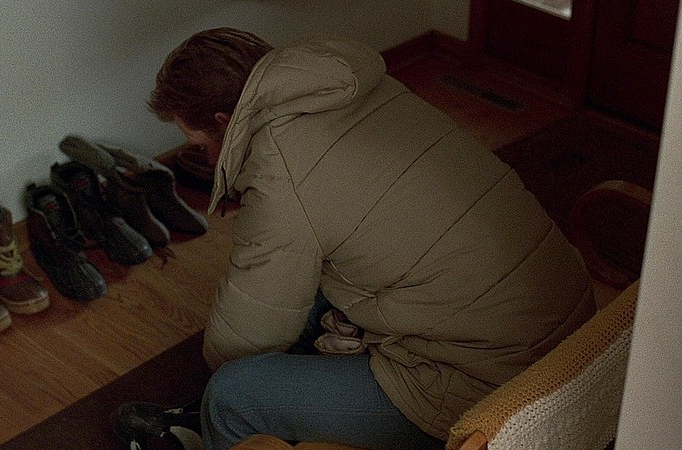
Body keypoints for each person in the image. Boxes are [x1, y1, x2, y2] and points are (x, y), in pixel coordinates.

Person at [148, 27, 596, 450]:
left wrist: (227, 375)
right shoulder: (361, 90)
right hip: (568, 322)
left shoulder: (278, 172)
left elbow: (241, 341)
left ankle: (220, 422)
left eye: (199, 144)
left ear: (225, 121)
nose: (207, 159)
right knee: (309, 294)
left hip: (496, 387)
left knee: (232, 393)